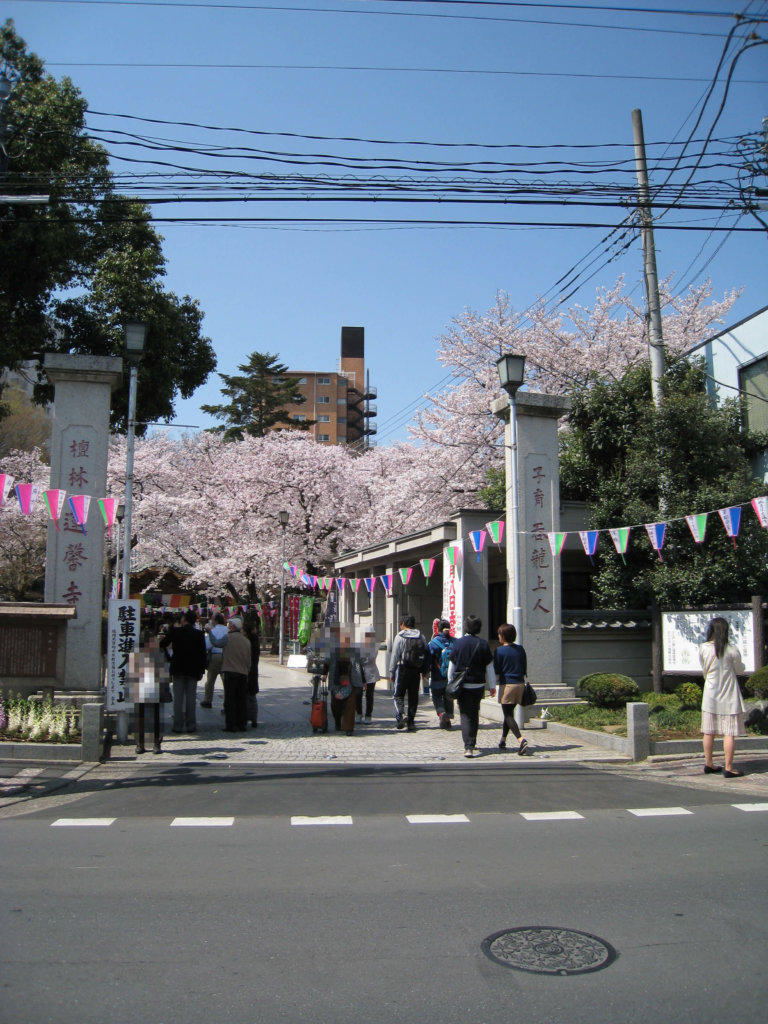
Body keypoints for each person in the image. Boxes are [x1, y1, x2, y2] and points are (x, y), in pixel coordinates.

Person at [699, 616, 747, 778]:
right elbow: (740, 670)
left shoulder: (704, 648)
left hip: (710, 695)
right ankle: (728, 767)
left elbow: (704, 670)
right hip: (729, 696)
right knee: (729, 733)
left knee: (708, 731)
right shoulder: (731, 649)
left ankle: (709, 763)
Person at [447, 614, 495, 757]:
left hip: (463, 685)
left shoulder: (458, 643)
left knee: (465, 714)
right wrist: (492, 686)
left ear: (466, 627)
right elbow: (490, 668)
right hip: (478, 685)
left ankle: (468, 746)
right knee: (474, 714)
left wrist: (451, 682)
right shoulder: (484, 644)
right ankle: (471, 742)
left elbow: (452, 666)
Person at [161, 609, 207, 734]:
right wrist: (202, 670)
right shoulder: (199, 634)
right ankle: (191, 724)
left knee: (178, 699)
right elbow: (202, 654)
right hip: (193, 670)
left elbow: (163, 644)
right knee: (191, 699)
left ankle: (178, 725)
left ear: (184, 620)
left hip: (178, 668)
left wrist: (169, 657)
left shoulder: (175, 631)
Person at [493, 623, 529, 755]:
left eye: (499, 634)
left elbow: (496, 669)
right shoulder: (520, 649)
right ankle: (503, 740)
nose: (498, 636)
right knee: (509, 714)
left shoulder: (499, 651)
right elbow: (524, 666)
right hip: (520, 684)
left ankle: (521, 739)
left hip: (507, 685)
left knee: (508, 715)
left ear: (503, 636)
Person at [389, 614, 429, 731]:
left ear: (403, 625)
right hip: (416, 670)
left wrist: (391, 671)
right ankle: (411, 721)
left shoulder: (400, 636)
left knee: (398, 695)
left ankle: (400, 715)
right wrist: (424, 670)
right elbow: (425, 654)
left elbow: (395, 655)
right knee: (413, 696)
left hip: (402, 668)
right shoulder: (421, 636)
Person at [325, 624, 364, 734]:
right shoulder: (333, 650)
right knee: (335, 704)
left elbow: (359, 666)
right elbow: (326, 663)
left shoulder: (354, 651)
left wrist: (363, 681)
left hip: (351, 682)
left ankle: (348, 728)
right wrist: (324, 674)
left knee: (350, 705)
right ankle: (338, 722)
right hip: (336, 681)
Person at [221, 616, 252, 732]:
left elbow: (216, 643)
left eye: (229, 625)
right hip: (243, 672)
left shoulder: (227, 638)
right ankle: (242, 723)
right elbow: (249, 660)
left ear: (233, 626)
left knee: (230, 699)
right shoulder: (246, 641)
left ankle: (231, 724)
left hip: (230, 671)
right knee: (241, 699)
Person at [428, 619, 455, 729]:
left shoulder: (433, 643)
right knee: (448, 697)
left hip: (437, 675)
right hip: (452, 677)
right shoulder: (455, 642)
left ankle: (441, 713)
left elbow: (428, 660)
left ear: (438, 629)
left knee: (437, 696)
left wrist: (425, 671)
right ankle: (447, 719)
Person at [201, 611, 228, 708]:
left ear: (215, 620)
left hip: (215, 656)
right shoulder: (227, 630)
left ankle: (208, 700)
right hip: (226, 656)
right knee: (226, 681)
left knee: (210, 680)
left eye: (212, 619)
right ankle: (227, 703)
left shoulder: (213, 631)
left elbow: (207, 645)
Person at [243, 605, 261, 728]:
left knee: (245, 695)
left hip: (245, 668)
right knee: (252, 695)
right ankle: (253, 718)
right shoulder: (256, 640)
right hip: (253, 668)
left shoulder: (246, 640)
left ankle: (245, 717)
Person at [357, 626, 380, 723]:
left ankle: (368, 715)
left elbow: (370, 659)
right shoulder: (358, 647)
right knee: (358, 694)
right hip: (359, 673)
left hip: (371, 673)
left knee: (369, 695)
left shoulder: (375, 646)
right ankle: (358, 713)